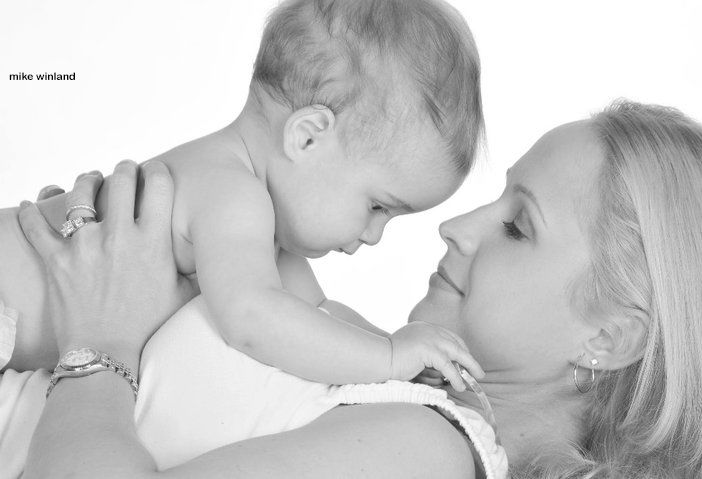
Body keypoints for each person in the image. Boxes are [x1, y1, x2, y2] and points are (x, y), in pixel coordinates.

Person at [21, 101, 702, 478]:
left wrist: (96, 346)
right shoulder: (377, 370)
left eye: (517, 227)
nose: (455, 227)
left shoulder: (429, 453)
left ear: (610, 337)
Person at [0, 0, 483, 390]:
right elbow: (254, 320)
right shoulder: (234, 197)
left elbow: (315, 316)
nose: (375, 235)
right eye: (378, 206)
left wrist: (400, 350)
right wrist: (389, 358)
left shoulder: (263, 226)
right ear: (307, 138)